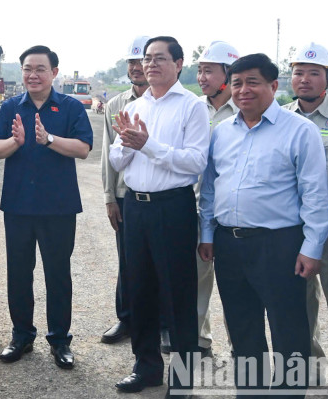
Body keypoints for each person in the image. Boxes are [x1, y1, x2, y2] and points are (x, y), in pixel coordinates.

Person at [199, 53, 328, 396]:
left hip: (280, 245)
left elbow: (315, 195)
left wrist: (312, 247)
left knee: (289, 328)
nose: (243, 90)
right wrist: (208, 234)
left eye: (252, 82)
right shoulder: (222, 132)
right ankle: (252, 392)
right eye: (237, 82)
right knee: (243, 327)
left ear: (273, 86)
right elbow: (210, 188)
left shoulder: (300, 131)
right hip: (229, 243)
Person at [109, 36, 209, 394]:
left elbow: (196, 162)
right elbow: (117, 160)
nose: (150, 65)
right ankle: (146, 366)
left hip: (172, 207)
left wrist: (147, 145)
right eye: (146, 58)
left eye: (159, 58)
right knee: (140, 290)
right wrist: (126, 142)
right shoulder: (139, 105)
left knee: (177, 294)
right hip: (136, 205)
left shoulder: (192, 107)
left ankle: (182, 380)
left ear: (179, 64)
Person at [0, 45, 92, 370]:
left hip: (58, 208)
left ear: (54, 73)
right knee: (19, 273)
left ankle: (60, 340)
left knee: (58, 274)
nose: (33, 75)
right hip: (18, 206)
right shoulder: (9, 109)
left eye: (40, 69)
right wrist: (15, 143)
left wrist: (49, 139)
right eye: (27, 69)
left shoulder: (71, 107)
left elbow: (84, 148)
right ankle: (21, 336)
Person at [188, 40, 239, 358]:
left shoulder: (247, 107)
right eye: (200, 70)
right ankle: (197, 340)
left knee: (239, 288)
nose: (202, 77)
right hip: (197, 209)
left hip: (236, 214)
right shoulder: (194, 107)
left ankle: (241, 345)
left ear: (227, 73)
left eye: (209, 70)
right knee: (196, 282)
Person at [283, 42, 328, 363]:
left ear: (327, 78)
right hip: (293, 232)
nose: (305, 79)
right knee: (298, 307)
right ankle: (310, 367)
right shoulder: (282, 118)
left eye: (314, 73)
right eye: (299, 72)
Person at [100, 35, 149, 345]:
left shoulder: (173, 103)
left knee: (159, 261)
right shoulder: (117, 104)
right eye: (131, 62)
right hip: (124, 193)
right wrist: (109, 197)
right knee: (127, 259)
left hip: (161, 196)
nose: (136, 67)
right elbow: (108, 151)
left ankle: (159, 322)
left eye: (141, 61)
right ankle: (126, 318)